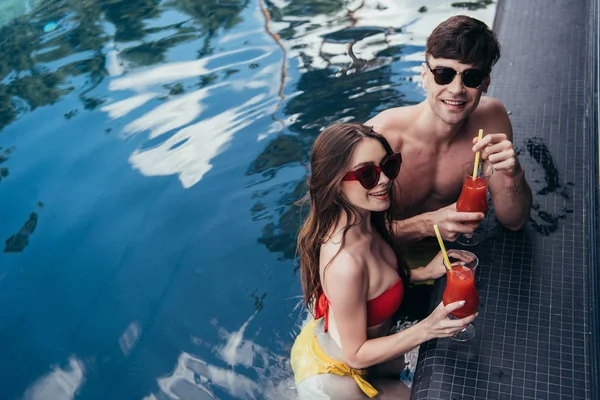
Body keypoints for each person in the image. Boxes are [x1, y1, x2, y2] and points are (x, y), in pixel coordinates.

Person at [289, 123, 476, 399]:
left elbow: (375, 284)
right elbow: (355, 354)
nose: (385, 180)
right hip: (338, 380)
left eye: (388, 165)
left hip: (349, 346)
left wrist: (422, 271)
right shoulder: (345, 263)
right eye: (367, 174)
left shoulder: (365, 221)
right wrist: (428, 328)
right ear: (335, 183)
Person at [365, 15, 532, 245]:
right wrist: (427, 225)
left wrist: (515, 175)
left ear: (485, 83)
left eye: (471, 77)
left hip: (450, 251)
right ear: (425, 76)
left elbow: (514, 220)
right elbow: (343, 234)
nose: (456, 90)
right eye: (444, 74)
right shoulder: (379, 140)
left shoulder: (491, 120)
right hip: (381, 261)